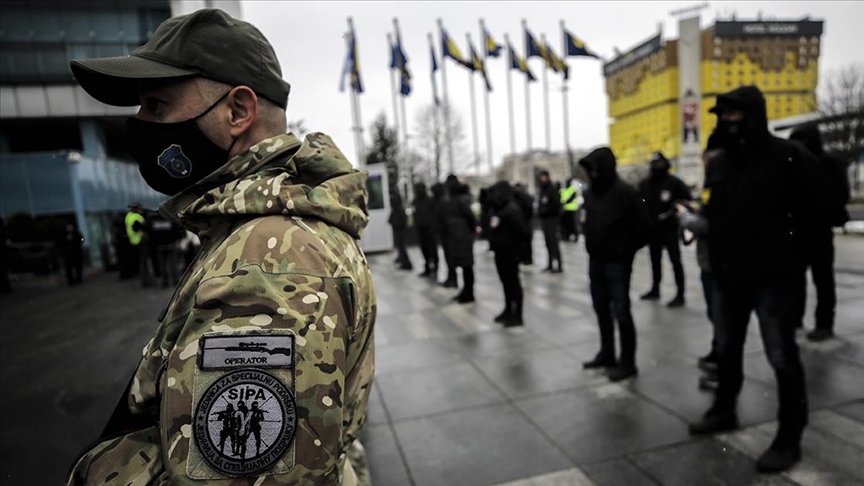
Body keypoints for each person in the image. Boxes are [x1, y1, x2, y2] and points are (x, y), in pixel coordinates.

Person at [66, 9, 375, 485]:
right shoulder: (266, 228)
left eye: (157, 105)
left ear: (237, 112)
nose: (141, 122)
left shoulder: (269, 260)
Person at [688, 86, 829, 473]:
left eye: (731, 115)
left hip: (774, 279)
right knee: (727, 349)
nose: (724, 123)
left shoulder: (789, 158)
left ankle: (789, 436)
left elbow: (816, 218)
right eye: (720, 116)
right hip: (730, 277)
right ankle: (724, 409)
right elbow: (714, 214)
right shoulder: (720, 164)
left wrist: (791, 263)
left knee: (781, 356)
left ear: (752, 115)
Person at [578, 147, 651, 382]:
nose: (592, 174)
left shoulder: (625, 193)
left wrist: (625, 252)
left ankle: (627, 361)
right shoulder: (590, 194)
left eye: (595, 169)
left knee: (621, 311)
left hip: (617, 263)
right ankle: (607, 353)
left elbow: (644, 228)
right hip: (596, 261)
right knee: (601, 309)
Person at [789, 124, 851, 341]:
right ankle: (803, 320)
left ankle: (821, 323)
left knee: (819, 279)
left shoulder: (828, 164)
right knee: (803, 279)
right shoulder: (795, 164)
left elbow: (841, 196)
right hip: (804, 230)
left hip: (815, 229)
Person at [676, 139, 723, 390]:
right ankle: (718, 355)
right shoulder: (716, 184)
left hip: (717, 263)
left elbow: (708, 225)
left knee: (721, 316)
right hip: (711, 262)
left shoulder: (723, 184)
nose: (704, 164)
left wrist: (685, 218)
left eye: (706, 159)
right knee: (716, 315)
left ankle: (723, 370)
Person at [638, 152, 691, 307]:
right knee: (655, 261)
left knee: (676, 261)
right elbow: (638, 199)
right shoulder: (646, 183)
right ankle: (655, 289)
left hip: (669, 228)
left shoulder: (673, 182)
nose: (656, 167)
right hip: (653, 229)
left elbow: (687, 198)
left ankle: (680, 293)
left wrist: (676, 208)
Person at [486, 181, 532, 327]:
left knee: (513, 283)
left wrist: (519, 251)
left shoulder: (512, 210)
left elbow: (524, 232)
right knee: (506, 282)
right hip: (500, 252)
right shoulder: (498, 209)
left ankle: (517, 314)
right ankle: (508, 310)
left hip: (510, 252)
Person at [442, 176, 477, 303]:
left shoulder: (459, 200)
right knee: (463, 265)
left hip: (463, 237)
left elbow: (470, 218)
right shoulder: (455, 200)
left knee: (467, 266)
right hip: (458, 237)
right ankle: (466, 291)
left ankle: (469, 292)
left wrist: (470, 231)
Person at [536, 170, 563, 273]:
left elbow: (555, 204)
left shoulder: (552, 189)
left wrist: (546, 210)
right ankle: (550, 264)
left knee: (553, 242)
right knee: (548, 242)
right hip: (545, 219)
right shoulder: (543, 189)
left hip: (552, 219)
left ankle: (559, 265)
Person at [433, 182, 458, 288]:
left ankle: (452, 278)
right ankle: (451, 277)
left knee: (450, 257)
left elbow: (445, 219)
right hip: (445, 233)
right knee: (448, 257)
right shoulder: (441, 201)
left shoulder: (443, 202)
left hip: (447, 234)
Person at [413, 182, 439, 277]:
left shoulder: (430, 200)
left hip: (430, 229)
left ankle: (435, 267)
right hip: (421, 229)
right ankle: (428, 267)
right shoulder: (416, 201)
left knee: (432, 249)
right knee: (424, 249)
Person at [125, 203, 152, 287]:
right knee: (144, 262)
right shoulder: (136, 217)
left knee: (141, 262)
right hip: (141, 240)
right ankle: (146, 281)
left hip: (134, 241)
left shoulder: (128, 216)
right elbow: (141, 227)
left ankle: (145, 280)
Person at [389, 191, 413, 271]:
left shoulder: (399, 211)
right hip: (399, 232)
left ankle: (406, 263)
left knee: (402, 248)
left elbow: (397, 221)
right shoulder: (397, 210)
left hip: (400, 232)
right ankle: (404, 261)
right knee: (401, 248)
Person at [513, 183, 535, 265]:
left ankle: (527, 258)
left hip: (525, 222)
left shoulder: (524, 197)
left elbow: (529, 209)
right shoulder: (517, 197)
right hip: (522, 222)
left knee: (526, 241)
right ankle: (524, 258)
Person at [559, 178, 581, 243]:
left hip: (572, 209)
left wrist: (563, 203)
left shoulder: (572, 189)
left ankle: (575, 236)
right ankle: (566, 236)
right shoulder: (563, 190)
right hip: (565, 210)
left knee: (573, 225)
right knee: (566, 225)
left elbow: (570, 199)